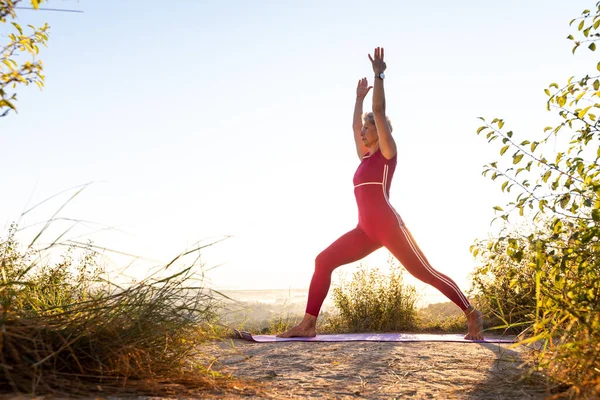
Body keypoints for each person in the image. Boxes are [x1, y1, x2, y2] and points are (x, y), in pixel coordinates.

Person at [277, 47, 484, 340]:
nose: (362, 131)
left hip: (389, 226)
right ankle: (308, 325)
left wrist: (379, 75)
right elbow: (354, 127)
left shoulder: (387, 153)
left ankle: (472, 314)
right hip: (365, 231)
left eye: (367, 127)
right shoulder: (364, 159)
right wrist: (358, 99)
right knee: (323, 261)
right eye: (362, 128)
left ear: (381, 130)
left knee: (425, 273)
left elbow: (379, 111)